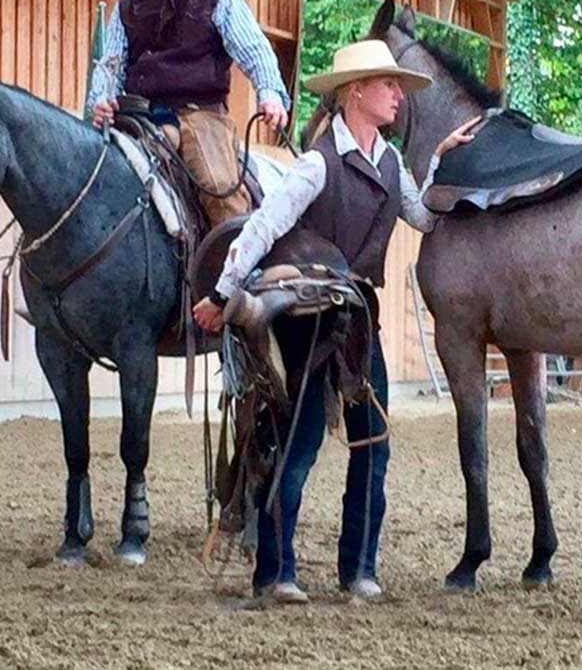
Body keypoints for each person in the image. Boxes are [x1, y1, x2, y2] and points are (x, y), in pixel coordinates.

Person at [192, 38, 481, 604]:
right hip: (308, 318)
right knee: (297, 445)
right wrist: (223, 294)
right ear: (355, 93)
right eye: (388, 85)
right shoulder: (316, 165)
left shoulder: (392, 162)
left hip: (358, 319)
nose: (399, 95)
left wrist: (442, 158)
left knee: (372, 442)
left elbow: (420, 216)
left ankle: (360, 571)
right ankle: (276, 573)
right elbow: (261, 229)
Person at [87, 0, 289, 227]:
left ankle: (240, 267)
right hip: (141, 117)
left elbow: (255, 51)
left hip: (202, 119)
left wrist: (269, 93)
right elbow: (111, 64)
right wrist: (101, 101)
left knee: (219, 188)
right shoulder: (128, 8)